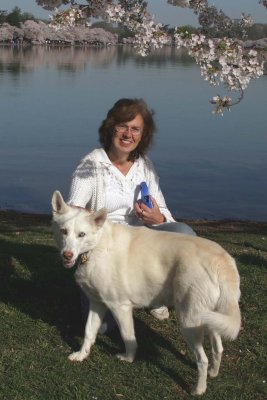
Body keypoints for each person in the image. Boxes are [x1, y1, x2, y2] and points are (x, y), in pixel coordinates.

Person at [67, 98, 196, 333]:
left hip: (142, 243)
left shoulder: (144, 166)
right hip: (106, 250)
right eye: (122, 127)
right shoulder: (90, 165)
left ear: (143, 134)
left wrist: (158, 218)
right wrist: (83, 218)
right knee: (105, 328)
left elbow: (164, 211)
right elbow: (72, 212)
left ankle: (157, 294)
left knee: (184, 234)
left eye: (135, 129)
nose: (128, 134)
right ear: (111, 128)